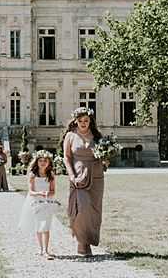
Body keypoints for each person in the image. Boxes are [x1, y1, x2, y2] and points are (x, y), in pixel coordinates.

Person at [63, 106, 103, 257]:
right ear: (76, 121)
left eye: (86, 120)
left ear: (90, 121)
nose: (83, 123)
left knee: (94, 211)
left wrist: (105, 160)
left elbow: (103, 155)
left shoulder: (97, 136)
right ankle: (81, 241)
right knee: (81, 208)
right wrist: (71, 175)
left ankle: (87, 242)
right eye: (80, 121)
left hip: (96, 176)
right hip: (78, 176)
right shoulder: (70, 136)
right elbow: (67, 157)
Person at [18, 150, 59, 260]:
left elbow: (53, 191)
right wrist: (40, 193)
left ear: (48, 162)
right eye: (40, 161)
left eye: (45, 161)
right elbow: (31, 191)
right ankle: (41, 249)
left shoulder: (50, 175)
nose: (43, 163)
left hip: (47, 202)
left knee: (46, 226)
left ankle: (46, 250)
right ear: (36, 162)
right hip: (35, 202)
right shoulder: (33, 175)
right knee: (38, 225)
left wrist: (47, 194)